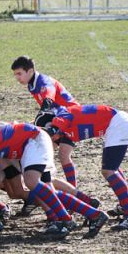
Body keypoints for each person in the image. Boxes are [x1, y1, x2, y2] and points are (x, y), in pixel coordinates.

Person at [47, 104, 128, 235]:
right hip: (116, 124)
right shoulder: (64, 130)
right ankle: (125, 206)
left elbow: (62, 116)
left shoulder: (61, 120)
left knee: (109, 171)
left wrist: (54, 126)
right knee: (112, 169)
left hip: (118, 124)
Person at [11, 56, 80, 190]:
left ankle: (72, 194)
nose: (17, 78)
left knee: (62, 155)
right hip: (59, 119)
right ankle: (48, 189)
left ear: (30, 71)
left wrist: (37, 122)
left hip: (71, 117)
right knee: (46, 154)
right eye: (15, 75)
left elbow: (48, 101)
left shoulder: (43, 82)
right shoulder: (32, 84)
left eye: (19, 74)